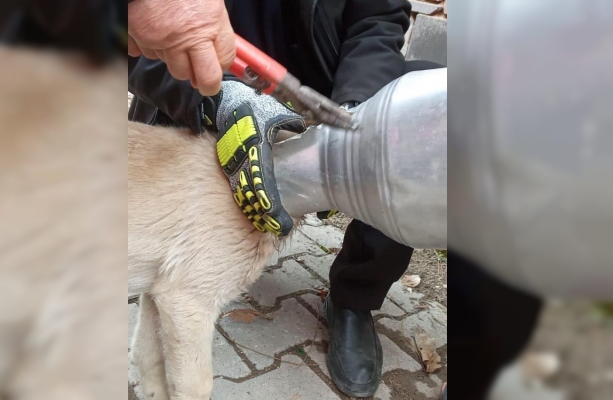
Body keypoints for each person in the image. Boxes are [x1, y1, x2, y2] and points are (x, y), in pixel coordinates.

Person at [128, 0, 444, 396]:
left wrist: (357, 109)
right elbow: (132, 28)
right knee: (192, 267)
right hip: (203, 81)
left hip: (319, 88)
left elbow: (378, 21)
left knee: (420, 116)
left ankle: (353, 300)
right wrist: (219, 94)